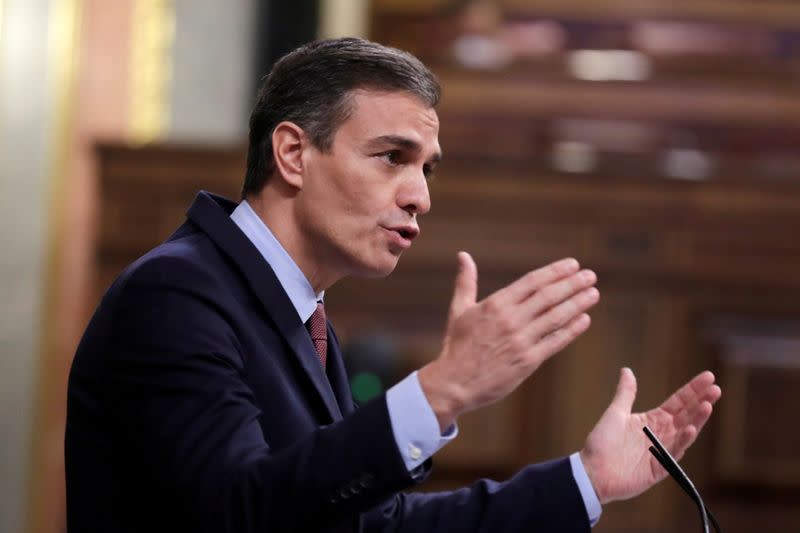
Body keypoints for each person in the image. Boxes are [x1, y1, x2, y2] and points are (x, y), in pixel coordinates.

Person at [65, 37, 721, 532]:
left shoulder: (303, 321)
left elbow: (366, 526)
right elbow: (238, 510)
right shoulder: (178, 293)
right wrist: (442, 391)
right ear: (293, 153)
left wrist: (589, 479)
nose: (420, 196)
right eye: (392, 157)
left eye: (428, 168)